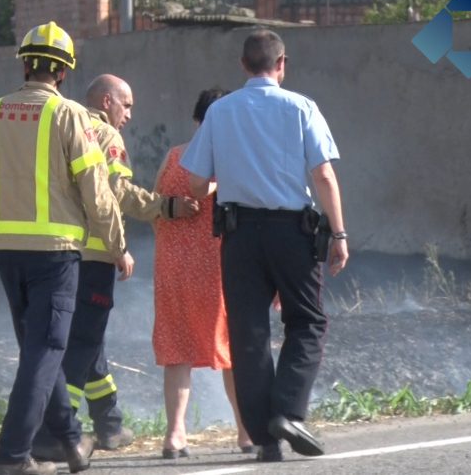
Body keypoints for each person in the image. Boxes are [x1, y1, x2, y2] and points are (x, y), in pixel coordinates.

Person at [0, 22, 135, 475]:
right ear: (62, 73)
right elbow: (97, 190)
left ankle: (73, 444)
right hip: (56, 255)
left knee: (40, 351)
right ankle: (14, 457)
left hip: (9, 253)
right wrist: (116, 245)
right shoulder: (71, 116)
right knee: (44, 353)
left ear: (24, 64)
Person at [180, 29, 348, 462]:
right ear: (282, 64)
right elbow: (324, 176)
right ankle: (288, 412)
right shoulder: (301, 107)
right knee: (306, 322)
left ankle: (264, 439)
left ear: (242, 65)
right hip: (294, 232)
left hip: (238, 235)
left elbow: (197, 183)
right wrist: (340, 234)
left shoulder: (220, 112)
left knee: (248, 332)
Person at [32, 74, 199, 461]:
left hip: (56, 254)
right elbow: (119, 193)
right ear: (107, 102)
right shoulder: (105, 136)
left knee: (91, 339)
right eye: (127, 105)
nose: (129, 115)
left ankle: (109, 423)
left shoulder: (60, 126)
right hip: (95, 255)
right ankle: (58, 432)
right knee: (83, 342)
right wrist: (167, 207)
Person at [153, 88, 278, 459]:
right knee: (232, 349)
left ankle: (175, 436)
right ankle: (245, 431)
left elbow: (155, 205)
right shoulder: (231, 162)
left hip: (172, 266)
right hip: (218, 266)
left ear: (195, 119)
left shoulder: (173, 155)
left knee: (177, 349)